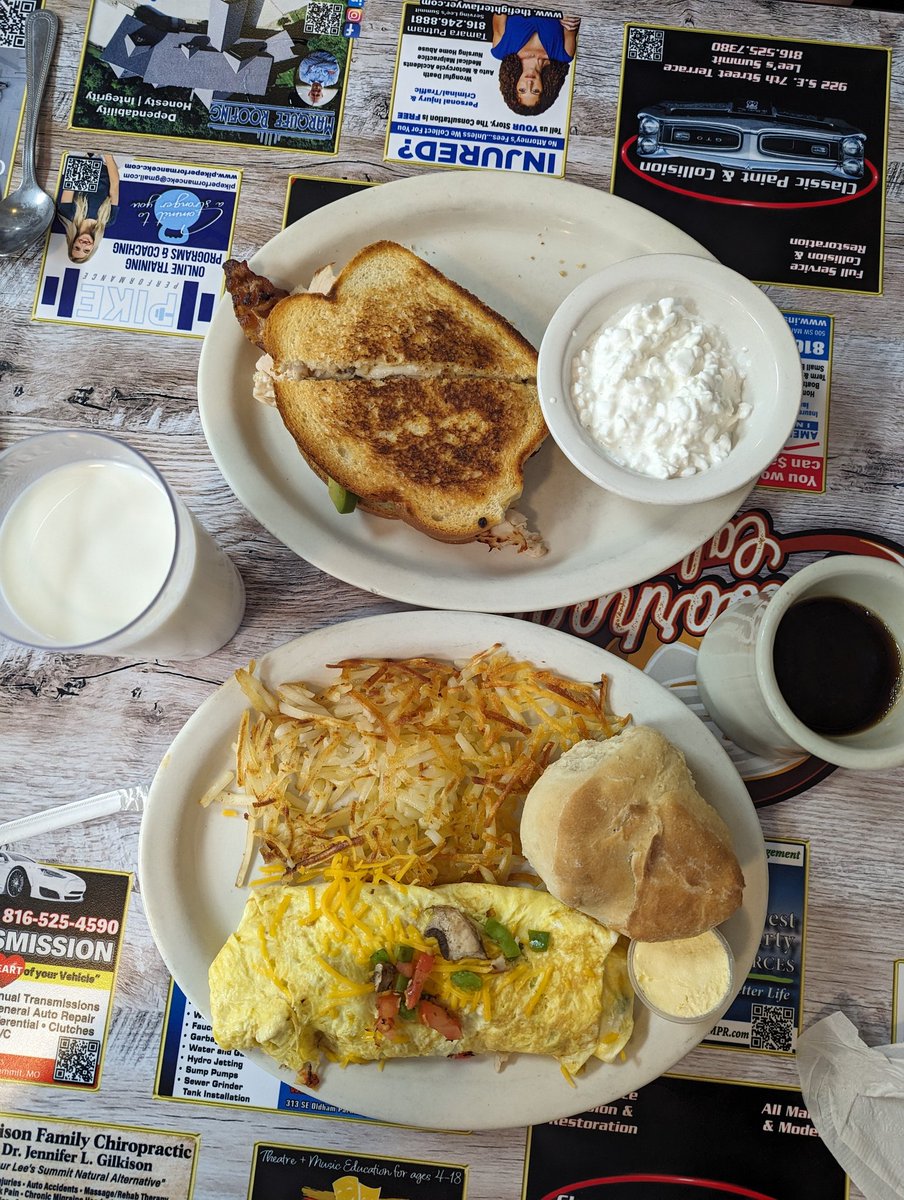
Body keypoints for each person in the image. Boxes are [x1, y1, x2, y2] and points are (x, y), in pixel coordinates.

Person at [491, 14, 579, 116]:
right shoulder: (564, 54)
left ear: (513, 85)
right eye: (536, 91)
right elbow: (574, 15)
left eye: (522, 90)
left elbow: (500, 6)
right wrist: (567, 15)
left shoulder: (501, 49)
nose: (529, 83)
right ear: (545, 88)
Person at [56, 152, 120, 263]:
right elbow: (114, 186)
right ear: (92, 249)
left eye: (77, 247)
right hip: (109, 163)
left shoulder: (68, 214)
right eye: (86, 250)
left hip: (83, 157)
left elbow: (72, 178)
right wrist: (108, 155)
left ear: (72, 242)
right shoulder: (108, 220)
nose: (84, 245)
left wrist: (90, 155)